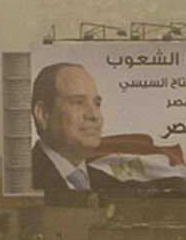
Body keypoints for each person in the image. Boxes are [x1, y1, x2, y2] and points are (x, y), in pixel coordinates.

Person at [30, 62, 124, 191]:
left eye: (97, 103)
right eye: (78, 102)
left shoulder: (112, 186)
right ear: (43, 115)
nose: (95, 115)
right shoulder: (23, 180)